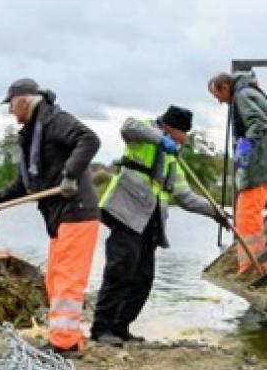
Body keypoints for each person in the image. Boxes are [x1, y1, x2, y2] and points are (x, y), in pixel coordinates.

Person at [93, 105, 229, 345]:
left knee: (143, 277)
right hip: (126, 211)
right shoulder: (143, 131)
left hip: (150, 223)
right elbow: (128, 126)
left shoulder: (172, 159)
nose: (185, 139)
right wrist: (160, 139)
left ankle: (120, 327)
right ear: (169, 128)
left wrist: (216, 213)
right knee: (121, 269)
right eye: (182, 133)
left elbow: (186, 198)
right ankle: (101, 328)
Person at [0, 78, 101, 354]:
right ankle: (65, 335)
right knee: (54, 278)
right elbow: (25, 184)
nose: (10, 111)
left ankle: (65, 343)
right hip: (59, 215)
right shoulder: (31, 133)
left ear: (24, 101)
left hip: (78, 212)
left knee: (68, 279)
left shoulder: (55, 121)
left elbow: (89, 140)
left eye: (11, 105)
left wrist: (70, 175)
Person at [208, 71, 267, 272]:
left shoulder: (243, 96)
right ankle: (255, 263)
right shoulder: (248, 93)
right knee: (248, 215)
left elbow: (259, 122)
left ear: (224, 87)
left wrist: (246, 143)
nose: (220, 102)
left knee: (247, 216)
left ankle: (253, 266)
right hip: (259, 166)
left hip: (258, 167)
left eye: (218, 97)